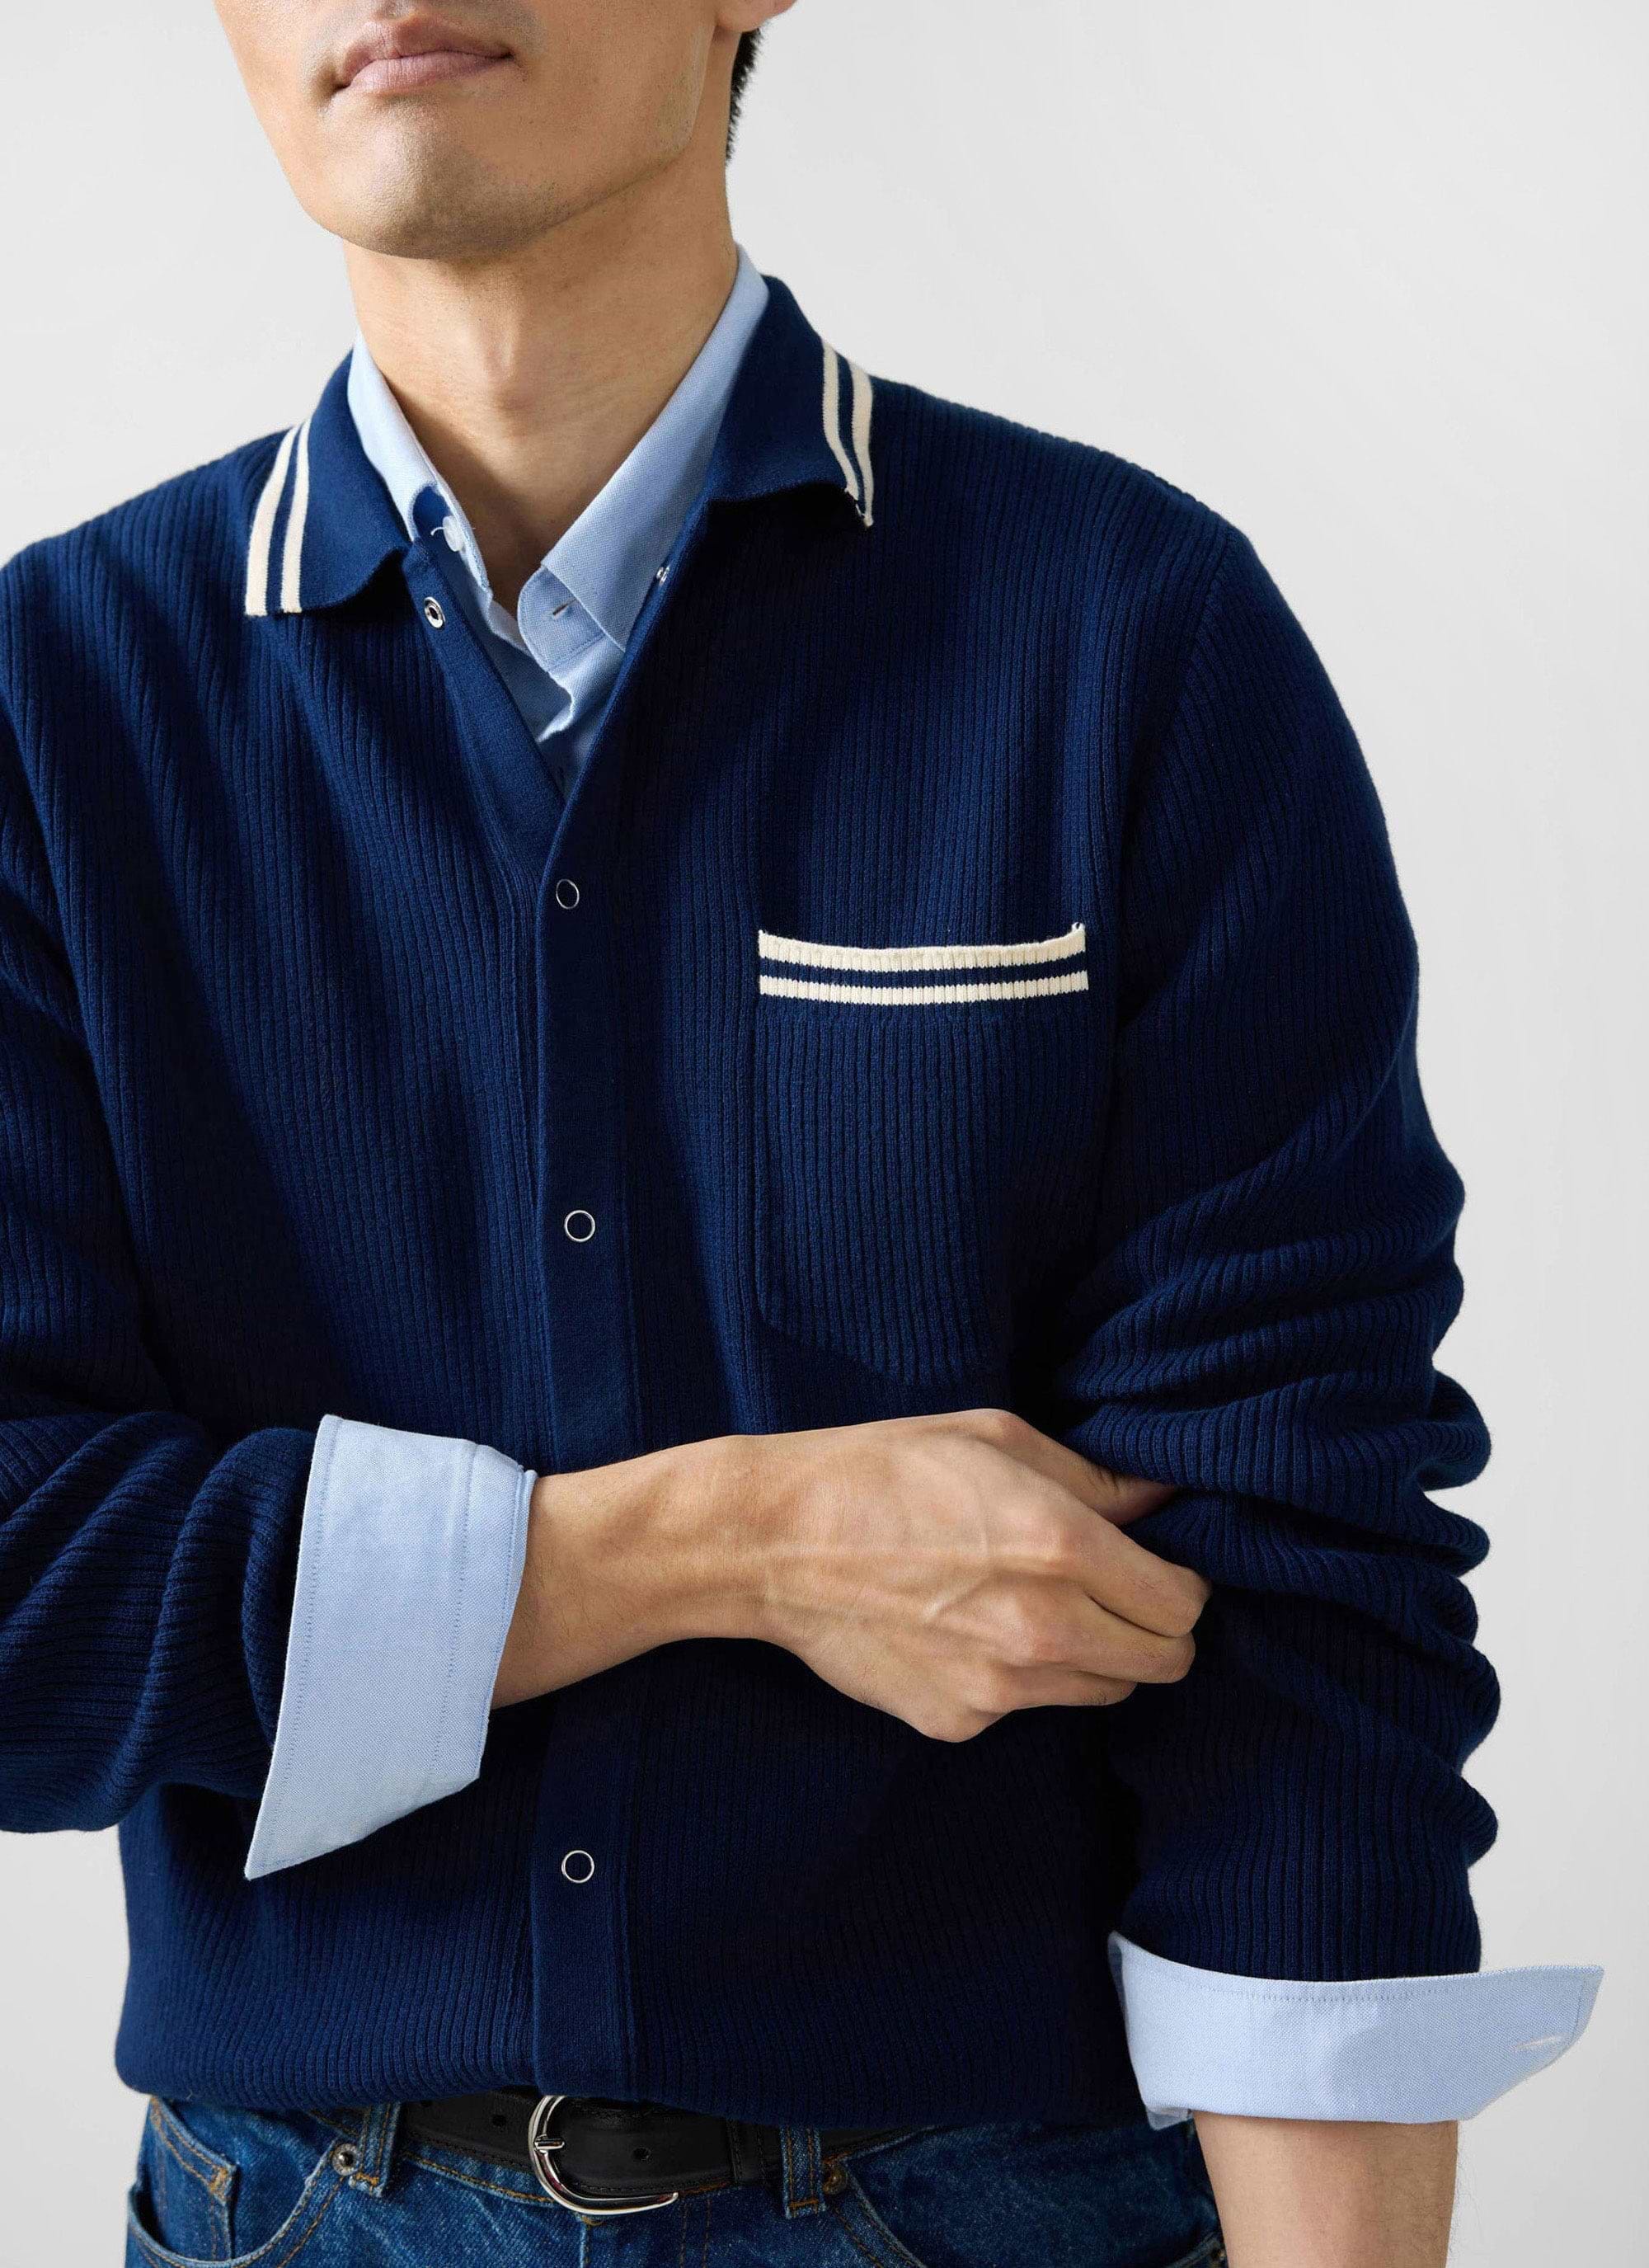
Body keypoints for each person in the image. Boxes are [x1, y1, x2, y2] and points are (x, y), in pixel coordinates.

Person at [0, 6, 1600, 2264]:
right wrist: (731, 1544)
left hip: (997, 2215)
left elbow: (1300, 1590)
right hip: (296, 2215)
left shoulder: (1126, 637)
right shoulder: (49, 709)